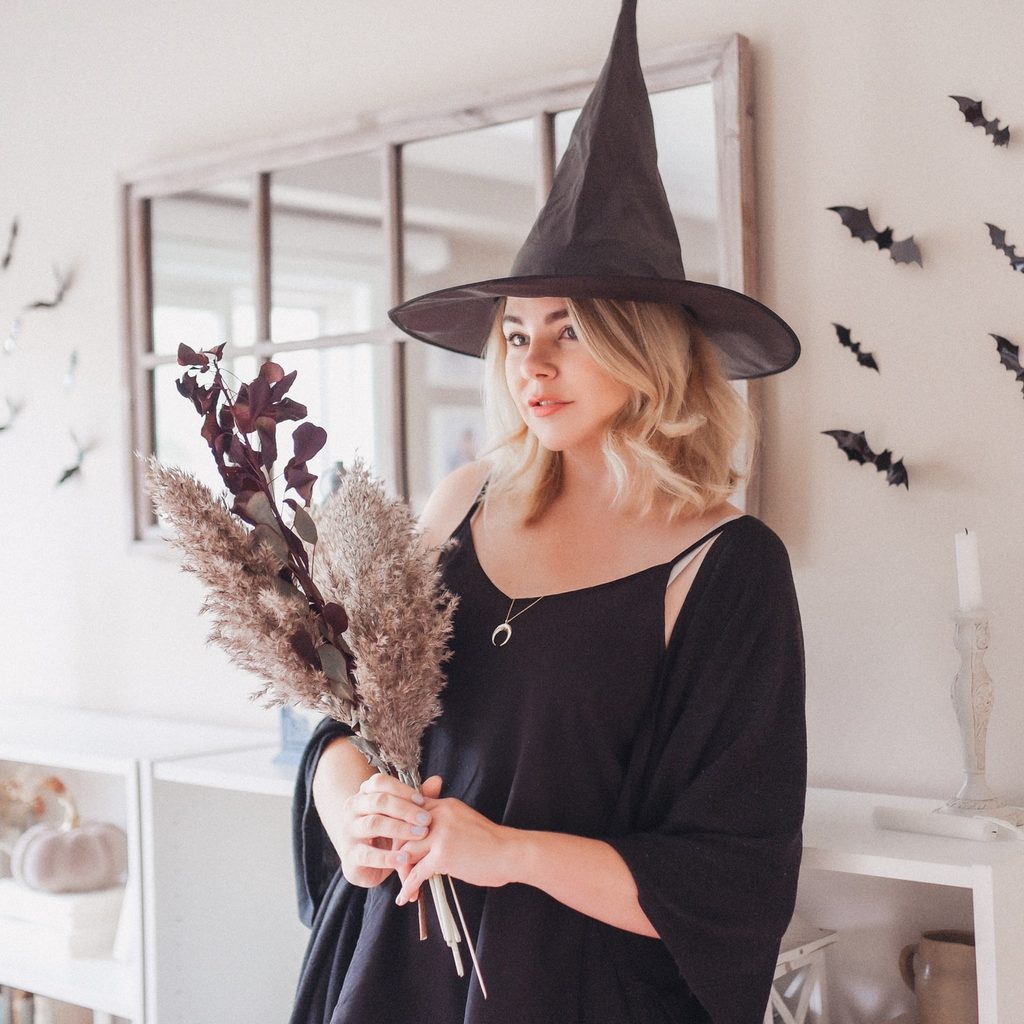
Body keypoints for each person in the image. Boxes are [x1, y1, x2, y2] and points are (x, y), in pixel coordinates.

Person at [290, 3, 805, 1022]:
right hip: (388, 966)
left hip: (572, 990)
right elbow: (340, 729)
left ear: (647, 347)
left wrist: (506, 853)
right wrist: (356, 812)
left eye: (569, 330)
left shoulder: (722, 565)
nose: (533, 363)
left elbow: (725, 881)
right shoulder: (462, 499)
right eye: (516, 334)